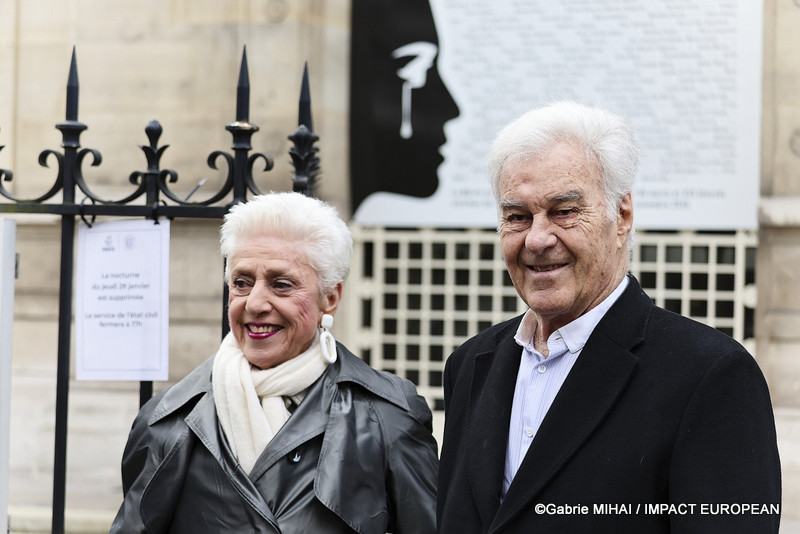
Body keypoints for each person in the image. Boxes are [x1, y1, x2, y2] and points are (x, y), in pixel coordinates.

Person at [436, 101, 781, 533]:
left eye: (564, 211)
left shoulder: (710, 375)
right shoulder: (470, 365)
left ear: (622, 215)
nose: (538, 239)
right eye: (517, 217)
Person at [110, 191, 438, 533]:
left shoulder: (388, 414)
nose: (254, 303)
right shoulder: (167, 422)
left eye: (281, 285)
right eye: (241, 283)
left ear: (330, 297)